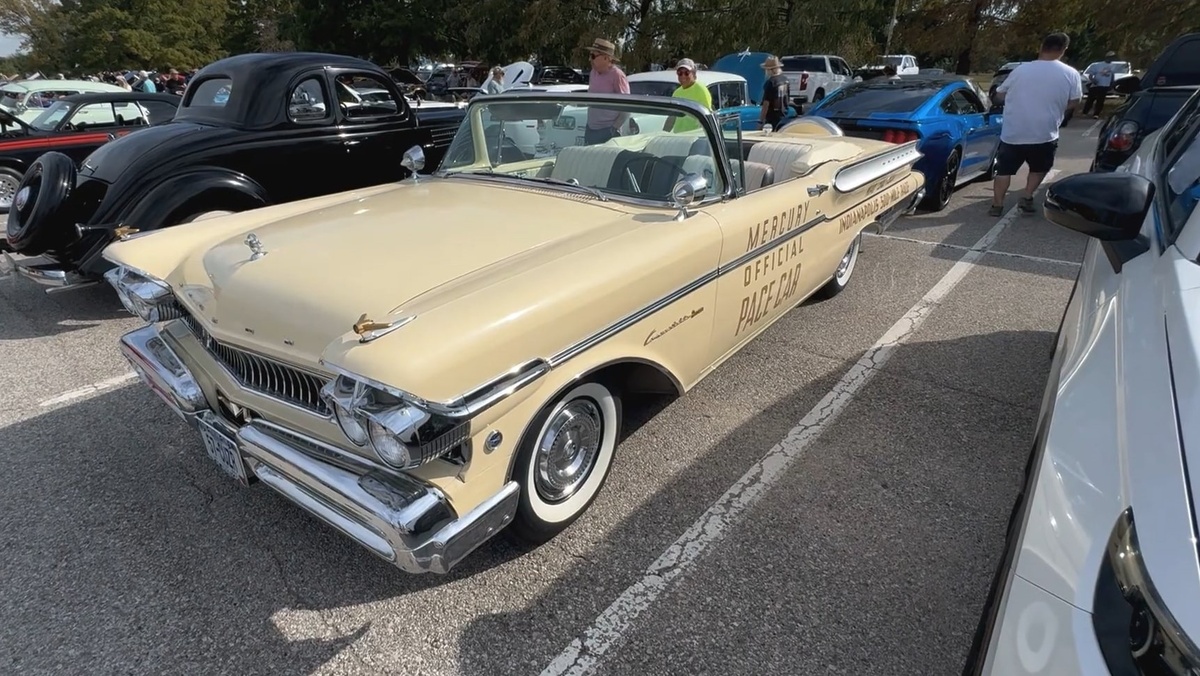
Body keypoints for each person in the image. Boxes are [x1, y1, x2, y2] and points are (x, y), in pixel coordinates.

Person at [988, 32, 1082, 217]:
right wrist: (1057, 107)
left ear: (1041, 47)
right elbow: (1075, 101)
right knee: (1039, 168)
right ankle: (1027, 195)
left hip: (1013, 132)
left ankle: (997, 205)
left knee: (1004, 170)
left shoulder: (1021, 70)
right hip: (1045, 132)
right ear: (1064, 49)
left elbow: (1000, 95)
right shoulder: (1071, 73)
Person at [583, 37, 630, 144]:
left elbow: (627, 106)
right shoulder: (593, 73)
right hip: (591, 128)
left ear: (606, 58)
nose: (590, 59)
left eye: (593, 56)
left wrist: (614, 128)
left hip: (608, 130)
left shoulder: (617, 75)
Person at [665, 58, 712, 133]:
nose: (683, 76)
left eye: (686, 73)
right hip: (679, 137)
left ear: (693, 73)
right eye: (680, 73)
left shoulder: (701, 90)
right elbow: (672, 117)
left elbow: (707, 117)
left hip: (695, 138)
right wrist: (664, 133)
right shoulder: (676, 93)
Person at [759, 55, 791, 130]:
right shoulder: (785, 80)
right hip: (784, 117)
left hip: (772, 119)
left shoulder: (770, 82)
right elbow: (787, 99)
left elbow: (766, 104)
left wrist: (761, 121)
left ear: (771, 70)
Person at [1082, 51, 1117, 118]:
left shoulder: (1113, 66)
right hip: (1096, 85)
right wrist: (1093, 80)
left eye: (1112, 58)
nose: (1111, 59)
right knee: (1091, 99)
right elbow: (1090, 75)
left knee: (1100, 100)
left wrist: (1112, 84)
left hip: (1105, 85)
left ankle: (1096, 114)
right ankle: (1085, 112)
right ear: (1106, 58)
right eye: (1110, 58)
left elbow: (1112, 76)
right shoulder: (1098, 65)